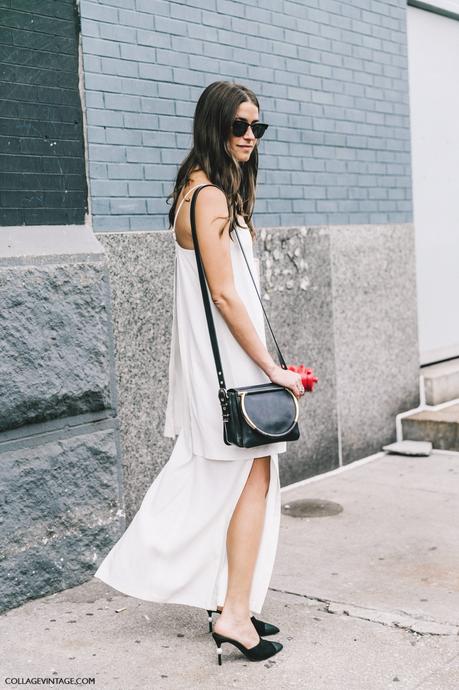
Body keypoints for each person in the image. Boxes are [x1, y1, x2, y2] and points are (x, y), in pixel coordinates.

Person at [94, 80, 305, 665]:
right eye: (239, 126)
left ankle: (228, 601)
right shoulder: (211, 195)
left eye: (257, 128)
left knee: (229, 483)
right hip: (235, 368)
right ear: (214, 126)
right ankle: (233, 614)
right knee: (251, 481)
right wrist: (272, 368)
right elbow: (225, 295)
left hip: (218, 365)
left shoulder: (192, 188)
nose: (249, 137)